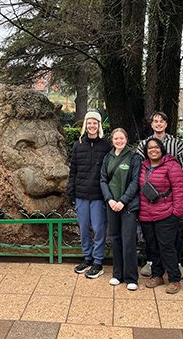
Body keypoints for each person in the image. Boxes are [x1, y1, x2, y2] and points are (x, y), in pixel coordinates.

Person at [136, 111, 183, 279]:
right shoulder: (143, 145)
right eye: (155, 121)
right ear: (151, 124)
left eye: (161, 121)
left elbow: (182, 173)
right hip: (147, 207)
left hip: (168, 203)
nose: (158, 124)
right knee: (152, 242)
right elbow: (136, 171)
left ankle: (175, 270)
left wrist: (177, 210)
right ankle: (154, 268)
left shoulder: (176, 145)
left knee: (169, 241)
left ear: (166, 124)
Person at [67, 111, 111, 279]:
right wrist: (71, 190)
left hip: (99, 195)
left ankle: (98, 262)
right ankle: (87, 258)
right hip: (81, 194)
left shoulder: (106, 145)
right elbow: (73, 170)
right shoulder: (78, 145)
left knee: (99, 229)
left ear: (99, 125)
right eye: (89, 123)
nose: (92, 126)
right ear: (85, 125)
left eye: (95, 123)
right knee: (84, 229)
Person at [100, 128, 141, 291]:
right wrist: (109, 199)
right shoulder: (107, 157)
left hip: (128, 206)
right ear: (112, 140)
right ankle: (117, 274)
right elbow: (103, 180)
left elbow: (135, 182)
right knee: (115, 238)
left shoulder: (133, 157)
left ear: (126, 139)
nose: (119, 141)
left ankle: (131, 277)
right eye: (116, 138)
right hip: (112, 205)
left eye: (121, 138)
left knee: (129, 240)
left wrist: (123, 201)